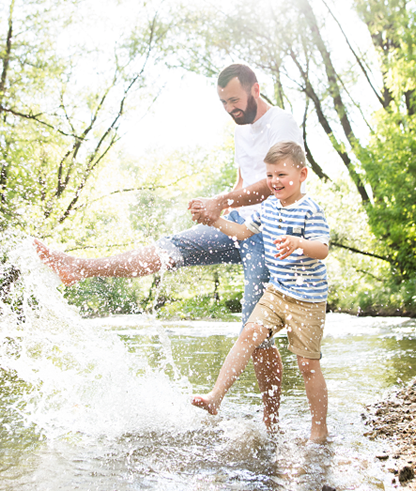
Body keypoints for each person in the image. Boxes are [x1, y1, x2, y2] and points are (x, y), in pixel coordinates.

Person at [34, 64, 303, 430]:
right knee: (171, 247)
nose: (230, 109)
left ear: (256, 89)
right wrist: (218, 209)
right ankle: (82, 267)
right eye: (224, 102)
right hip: (238, 226)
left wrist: (219, 200)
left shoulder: (281, 123)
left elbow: (274, 182)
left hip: (271, 235)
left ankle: (271, 422)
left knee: (254, 329)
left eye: (235, 100)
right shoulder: (241, 127)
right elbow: (244, 178)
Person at [191, 141, 331, 443]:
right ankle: (216, 397)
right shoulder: (267, 207)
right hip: (277, 292)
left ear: (302, 174)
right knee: (249, 334)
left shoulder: (310, 209)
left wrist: (299, 244)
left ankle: (319, 429)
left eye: (281, 174)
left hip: (308, 299)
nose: (275, 182)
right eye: (270, 176)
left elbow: (322, 249)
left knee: (308, 365)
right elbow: (243, 233)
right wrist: (214, 220)